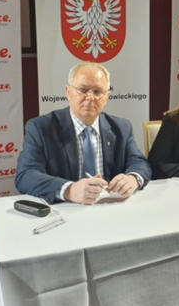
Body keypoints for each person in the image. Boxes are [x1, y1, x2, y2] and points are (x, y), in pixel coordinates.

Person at [15, 62, 151, 204]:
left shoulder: (121, 127)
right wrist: (69, 190)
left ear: (107, 97)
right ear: (68, 92)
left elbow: (139, 162)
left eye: (97, 92)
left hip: (109, 207)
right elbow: (25, 175)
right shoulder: (41, 128)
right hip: (64, 209)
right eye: (83, 90)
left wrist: (133, 178)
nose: (90, 97)